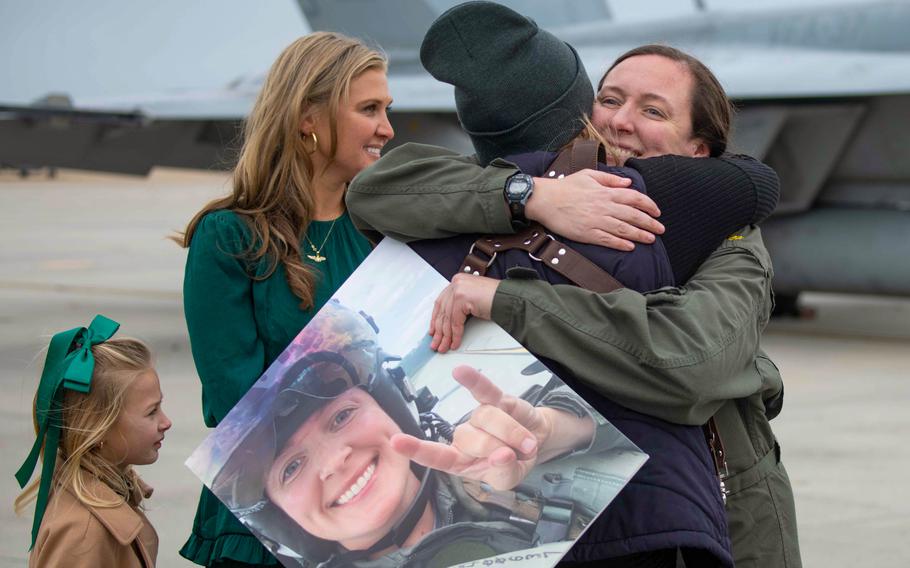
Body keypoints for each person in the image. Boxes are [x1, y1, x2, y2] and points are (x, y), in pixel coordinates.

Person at [346, 3, 800, 568]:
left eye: (652, 110)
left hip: (713, 519)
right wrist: (532, 197)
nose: (619, 121)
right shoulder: (521, 187)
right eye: (609, 100)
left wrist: (509, 299)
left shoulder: (726, 234)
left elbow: (692, 358)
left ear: (697, 151)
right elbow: (374, 191)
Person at [173, 32, 394, 567]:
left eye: (387, 109)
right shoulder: (229, 236)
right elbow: (234, 400)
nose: (387, 128)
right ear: (308, 119)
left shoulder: (384, 231)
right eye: (369, 109)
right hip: (273, 521)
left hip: (376, 499)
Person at [210, 301, 639, 568]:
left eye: (341, 417)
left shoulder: (493, 452)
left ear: (388, 405)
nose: (334, 460)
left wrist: (558, 429)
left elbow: (646, 414)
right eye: (291, 467)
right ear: (276, 515)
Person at [14, 315, 172, 568]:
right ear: (98, 430)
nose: (166, 422)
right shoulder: (82, 533)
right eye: (152, 412)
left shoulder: (109, 496)